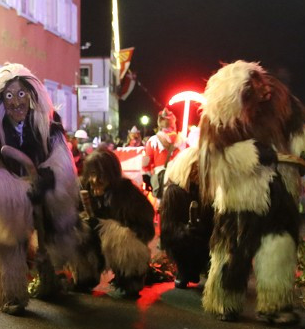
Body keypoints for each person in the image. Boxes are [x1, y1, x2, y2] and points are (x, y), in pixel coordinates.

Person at [0, 64, 89, 315]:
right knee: (7, 243)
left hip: (41, 189)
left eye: (21, 95)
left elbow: (60, 154)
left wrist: (49, 178)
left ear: (31, 96)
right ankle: (10, 295)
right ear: (0, 101)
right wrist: (17, 191)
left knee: (50, 235)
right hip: (4, 197)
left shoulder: (47, 122)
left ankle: (50, 280)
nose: (16, 103)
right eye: (9, 96)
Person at [198, 60, 305, 324]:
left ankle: (275, 305)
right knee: (233, 250)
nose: (265, 92)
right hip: (241, 196)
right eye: (255, 90)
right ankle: (224, 302)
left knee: (280, 247)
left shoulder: (282, 100)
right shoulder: (217, 119)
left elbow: (299, 129)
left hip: (280, 189)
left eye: (263, 84)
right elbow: (213, 161)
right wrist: (250, 153)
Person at [76, 148, 155, 298]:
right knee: (77, 230)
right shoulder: (82, 188)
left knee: (120, 237)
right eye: (92, 175)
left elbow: (145, 228)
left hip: (121, 242)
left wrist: (109, 228)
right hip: (92, 241)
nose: (95, 181)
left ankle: (130, 278)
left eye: (101, 176)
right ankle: (85, 276)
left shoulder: (128, 193)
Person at [158, 145, 213, 289]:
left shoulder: (207, 193)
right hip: (182, 243)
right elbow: (168, 231)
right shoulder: (174, 193)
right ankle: (183, 271)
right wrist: (185, 231)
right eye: (196, 167)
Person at [142, 109, 182, 198]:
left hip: (162, 180)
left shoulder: (153, 141)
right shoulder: (183, 140)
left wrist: (148, 180)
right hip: (180, 179)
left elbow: (145, 164)